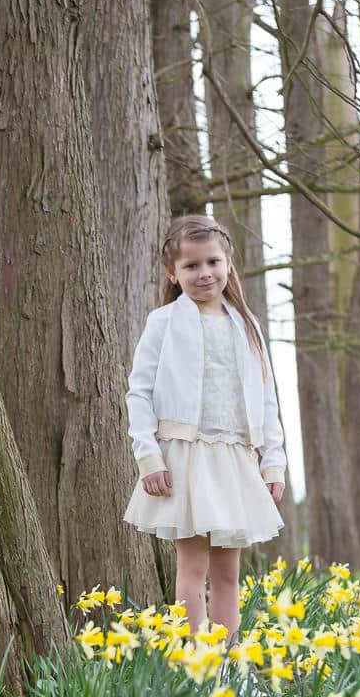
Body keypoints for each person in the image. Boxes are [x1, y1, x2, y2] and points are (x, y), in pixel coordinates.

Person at [123, 215, 287, 639]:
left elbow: (267, 399)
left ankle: (229, 663)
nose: (204, 273)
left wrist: (273, 464)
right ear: (172, 274)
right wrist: (148, 456)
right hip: (185, 458)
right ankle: (197, 661)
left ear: (228, 263)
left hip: (235, 459)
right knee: (192, 569)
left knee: (228, 573)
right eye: (191, 266)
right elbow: (138, 392)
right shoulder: (163, 323)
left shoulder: (246, 326)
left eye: (212, 262)